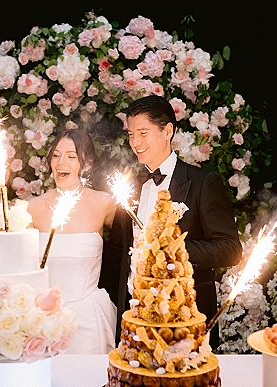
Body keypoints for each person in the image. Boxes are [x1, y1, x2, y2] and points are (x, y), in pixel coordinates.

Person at [100, 95, 243, 349]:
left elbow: (230, 249)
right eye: (131, 134)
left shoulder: (202, 183)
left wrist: (172, 249)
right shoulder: (130, 187)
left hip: (186, 315)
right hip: (135, 314)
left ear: (167, 130)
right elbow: (117, 252)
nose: (135, 142)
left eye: (143, 133)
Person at [28, 129, 117, 354]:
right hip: (43, 320)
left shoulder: (104, 204)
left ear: (86, 163)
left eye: (70, 156)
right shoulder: (33, 208)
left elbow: (132, 248)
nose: (60, 162)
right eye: (56, 155)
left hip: (88, 320)